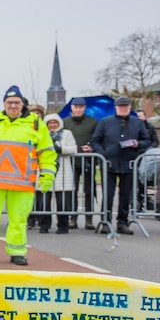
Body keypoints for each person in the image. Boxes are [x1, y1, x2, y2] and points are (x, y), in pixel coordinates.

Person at [0, 86, 55, 266]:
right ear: (4, 104)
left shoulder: (37, 124)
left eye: (16, 102)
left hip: (22, 183)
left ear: (23, 104)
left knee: (18, 219)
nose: (13, 106)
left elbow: (47, 152)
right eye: (9, 102)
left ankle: (17, 252)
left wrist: (47, 176)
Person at [88, 96, 151, 235]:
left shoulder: (137, 123)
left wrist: (138, 144)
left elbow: (147, 140)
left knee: (125, 195)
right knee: (108, 195)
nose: (123, 109)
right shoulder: (105, 122)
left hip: (128, 162)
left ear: (130, 107)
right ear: (116, 107)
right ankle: (106, 221)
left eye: (125, 106)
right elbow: (94, 141)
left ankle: (122, 222)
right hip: (109, 162)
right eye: (120, 106)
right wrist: (103, 153)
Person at [62, 97, 99, 230]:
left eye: (81, 107)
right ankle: (73, 218)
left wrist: (92, 147)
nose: (78, 109)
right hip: (70, 161)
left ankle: (89, 218)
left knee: (89, 190)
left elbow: (97, 138)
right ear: (71, 108)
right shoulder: (64, 122)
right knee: (72, 190)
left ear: (84, 108)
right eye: (76, 107)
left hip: (88, 161)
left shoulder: (93, 122)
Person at [40, 114, 77, 234]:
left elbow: (73, 149)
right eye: (49, 123)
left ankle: (63, 225)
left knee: (63, 201)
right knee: (45, 201)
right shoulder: (42, 134)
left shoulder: (67, 133)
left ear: (59, 123)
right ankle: (44, 225)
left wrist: (61, 148)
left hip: (63, 169)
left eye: (54, 122)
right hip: (46, 169)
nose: (52, 125)